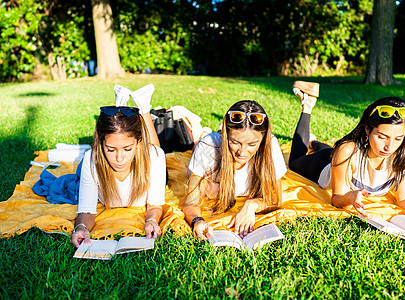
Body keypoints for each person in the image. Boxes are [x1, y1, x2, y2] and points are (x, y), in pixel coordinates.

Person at [288, 81, 405, 224]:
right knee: (295, 161)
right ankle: (307, 106)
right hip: (323, 167)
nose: (389, 147)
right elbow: (337, 198)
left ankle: (315, 143)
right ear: (367, 130)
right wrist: (348, 197)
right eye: (382, 137)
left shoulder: (403, 157)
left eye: (398, 138)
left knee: (328, 150)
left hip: (338, 157)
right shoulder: (347, 151)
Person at [70, 84, 167, 248]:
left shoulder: (155, 157)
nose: (119, 159)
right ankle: (120, 106)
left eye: (128, 149)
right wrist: (81, 227)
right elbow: (86, 210)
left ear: (138, 143)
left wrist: (152, 221)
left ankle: (142, 109)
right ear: (101, 144)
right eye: (110, 149)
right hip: (91, 163)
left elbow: (155, 205)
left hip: (150, 154)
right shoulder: (91, 159)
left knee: (156, 152)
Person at [183, 100, 287, 240]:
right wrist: (197, 221)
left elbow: (275, 198)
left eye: (252, 144)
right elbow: (191, 204)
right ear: (225, 135)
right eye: (235, 142)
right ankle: (199, 136)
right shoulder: (208, 147)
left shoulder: (271, 145)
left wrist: (252, 205)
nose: (242, 152)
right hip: (205, 152)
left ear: (262, 139)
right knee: (199, 153)